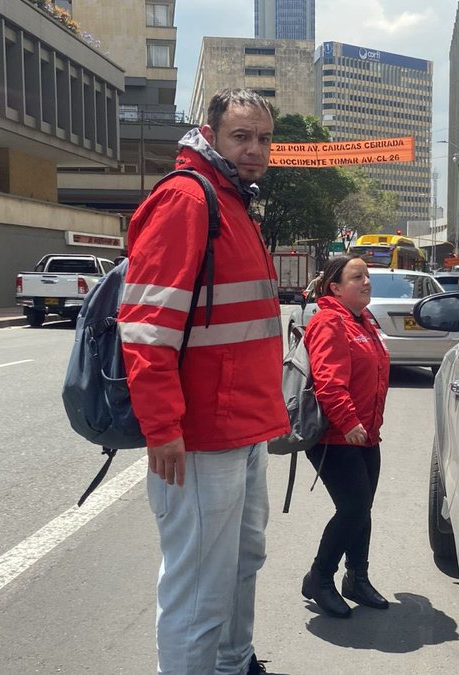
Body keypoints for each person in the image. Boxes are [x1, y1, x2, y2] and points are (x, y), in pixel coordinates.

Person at [118, 89, 287, 675]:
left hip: (242, 429)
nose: (255, 150)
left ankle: (234, 666)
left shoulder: (232, 202)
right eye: (241, 136)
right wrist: (162, 428)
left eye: (264, 138)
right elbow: (144, 328)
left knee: (242, 562)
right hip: (196, 438)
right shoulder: (188, 201)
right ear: (209, 134)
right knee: (197, 593)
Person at [299, 254, 391, 618]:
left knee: (362, 509)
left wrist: (366, 426)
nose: (367, 281)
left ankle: (357, 578)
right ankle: (320, 578)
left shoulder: (363, 320)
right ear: (335, 287)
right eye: (357, 277)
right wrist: (349, 421)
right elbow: (328, 382)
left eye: (367, 276)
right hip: (336, 438)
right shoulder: (329, 322)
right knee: (352, 508)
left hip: (366, 435)